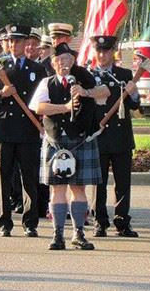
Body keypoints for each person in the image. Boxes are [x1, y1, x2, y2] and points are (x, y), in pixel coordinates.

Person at [29, 43, 108, 250]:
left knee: (78, 188)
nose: (63, 63)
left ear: (73, 62)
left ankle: (79, 233)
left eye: (67, 59)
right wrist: (64, 107)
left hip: (80, 139)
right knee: (57, 190)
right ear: (53, 63)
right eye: (59, 60)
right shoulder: (47, 83)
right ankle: (57, 234)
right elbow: (38, 107)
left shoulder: (84, 79)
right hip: (55, 140)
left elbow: (105, 92)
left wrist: (85, 92)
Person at [0, 25, 46, 237]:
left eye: (17, 41)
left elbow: (43, 98)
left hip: (27, 129)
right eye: (10, 41)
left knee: (29, 177)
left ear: (25, 43)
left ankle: (30, 222)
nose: (13, 45)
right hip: (3, 128)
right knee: (3, 177)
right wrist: (2, 93)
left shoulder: (37, 69)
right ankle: (5, 222)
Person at [89, 35, 142, 238]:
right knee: (98, 182)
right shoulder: (88, 75)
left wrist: (133, 92)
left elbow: (134, 105)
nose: (102, 55)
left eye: (107, 51)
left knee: (122, 182)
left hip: (120, 136)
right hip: (99, 134)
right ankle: (99, 222)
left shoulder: (124, 73)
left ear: (113, 52)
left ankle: (122, 221)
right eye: (99, 51)